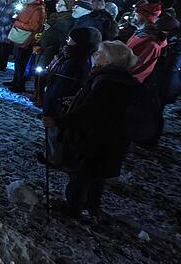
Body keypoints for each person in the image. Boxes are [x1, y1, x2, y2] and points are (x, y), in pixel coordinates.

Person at [56, 41, 139, 217]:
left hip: (95, 138)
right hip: (111, 139)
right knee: (96, 175)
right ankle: (92, 206)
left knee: (82, 175)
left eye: (100, 52)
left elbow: (91, 111)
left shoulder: (108, 81)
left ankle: (74, 209)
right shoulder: (120, 78)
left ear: (110, 60)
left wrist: (60, 120)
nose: (95, 54)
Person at [41, 27, 102, 129]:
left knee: (55, 128)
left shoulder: (76, 61)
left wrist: (50, 101)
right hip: (54, 96)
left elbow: (63, 85)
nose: (67, 40)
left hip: (59, 102)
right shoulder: (68, 54)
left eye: (70, 38)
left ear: (79, 41)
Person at [7, 0, 46, 93]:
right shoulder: (27, 6)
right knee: (17, 61)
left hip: (28, 39)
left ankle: (20, 85)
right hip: (20, 37)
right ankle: (15, 81)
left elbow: (34, 27)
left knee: (22, 63)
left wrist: (17, 23)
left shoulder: (38, 10)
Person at [37, 0, 76, 68]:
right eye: (57, 4)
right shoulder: (54, 15)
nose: (57, 6)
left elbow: (57, 33)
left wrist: (48, 26)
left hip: (53, 48)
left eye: (61, 5)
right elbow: (46, 29)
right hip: (44, 45)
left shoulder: (69, 18)